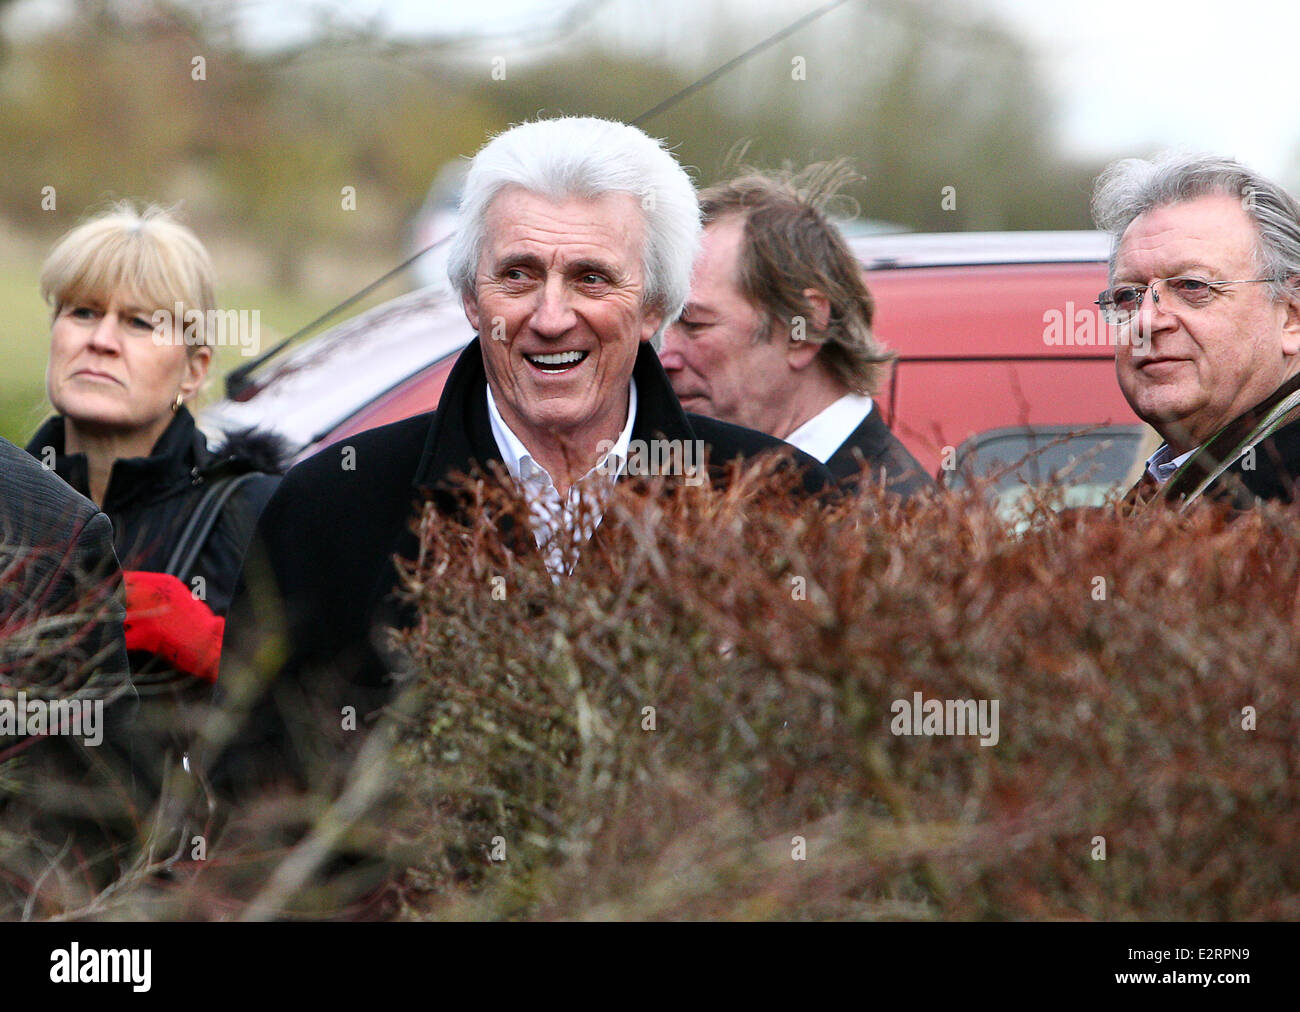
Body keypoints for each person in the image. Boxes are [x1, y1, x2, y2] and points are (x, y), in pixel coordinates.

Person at [213, 116, 830, 798]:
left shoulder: (780, 501)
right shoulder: (330, 507)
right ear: (472, 299)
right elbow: (254, 799)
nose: (551, 315)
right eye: (518, 275)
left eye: (592, 278)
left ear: (655, 306)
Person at [24, 202, 284, 808]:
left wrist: (217, 653)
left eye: (140, 323)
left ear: (194, 371)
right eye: (82, 312)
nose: (101, 340)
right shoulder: (11, 501)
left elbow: (315, 724)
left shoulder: (255, 515)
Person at [659, 163, 932, 498]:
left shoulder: (890, 527)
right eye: (657, 322)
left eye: (694, 324)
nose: (662, 355)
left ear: (803, 328)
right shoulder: (695, 480)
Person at [1091, 154, 1300, 511]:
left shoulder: (1280, 494)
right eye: (1128, 295)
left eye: (1192, 286)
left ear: (1292, 316)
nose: (1146, 321)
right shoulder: (1182, 479)